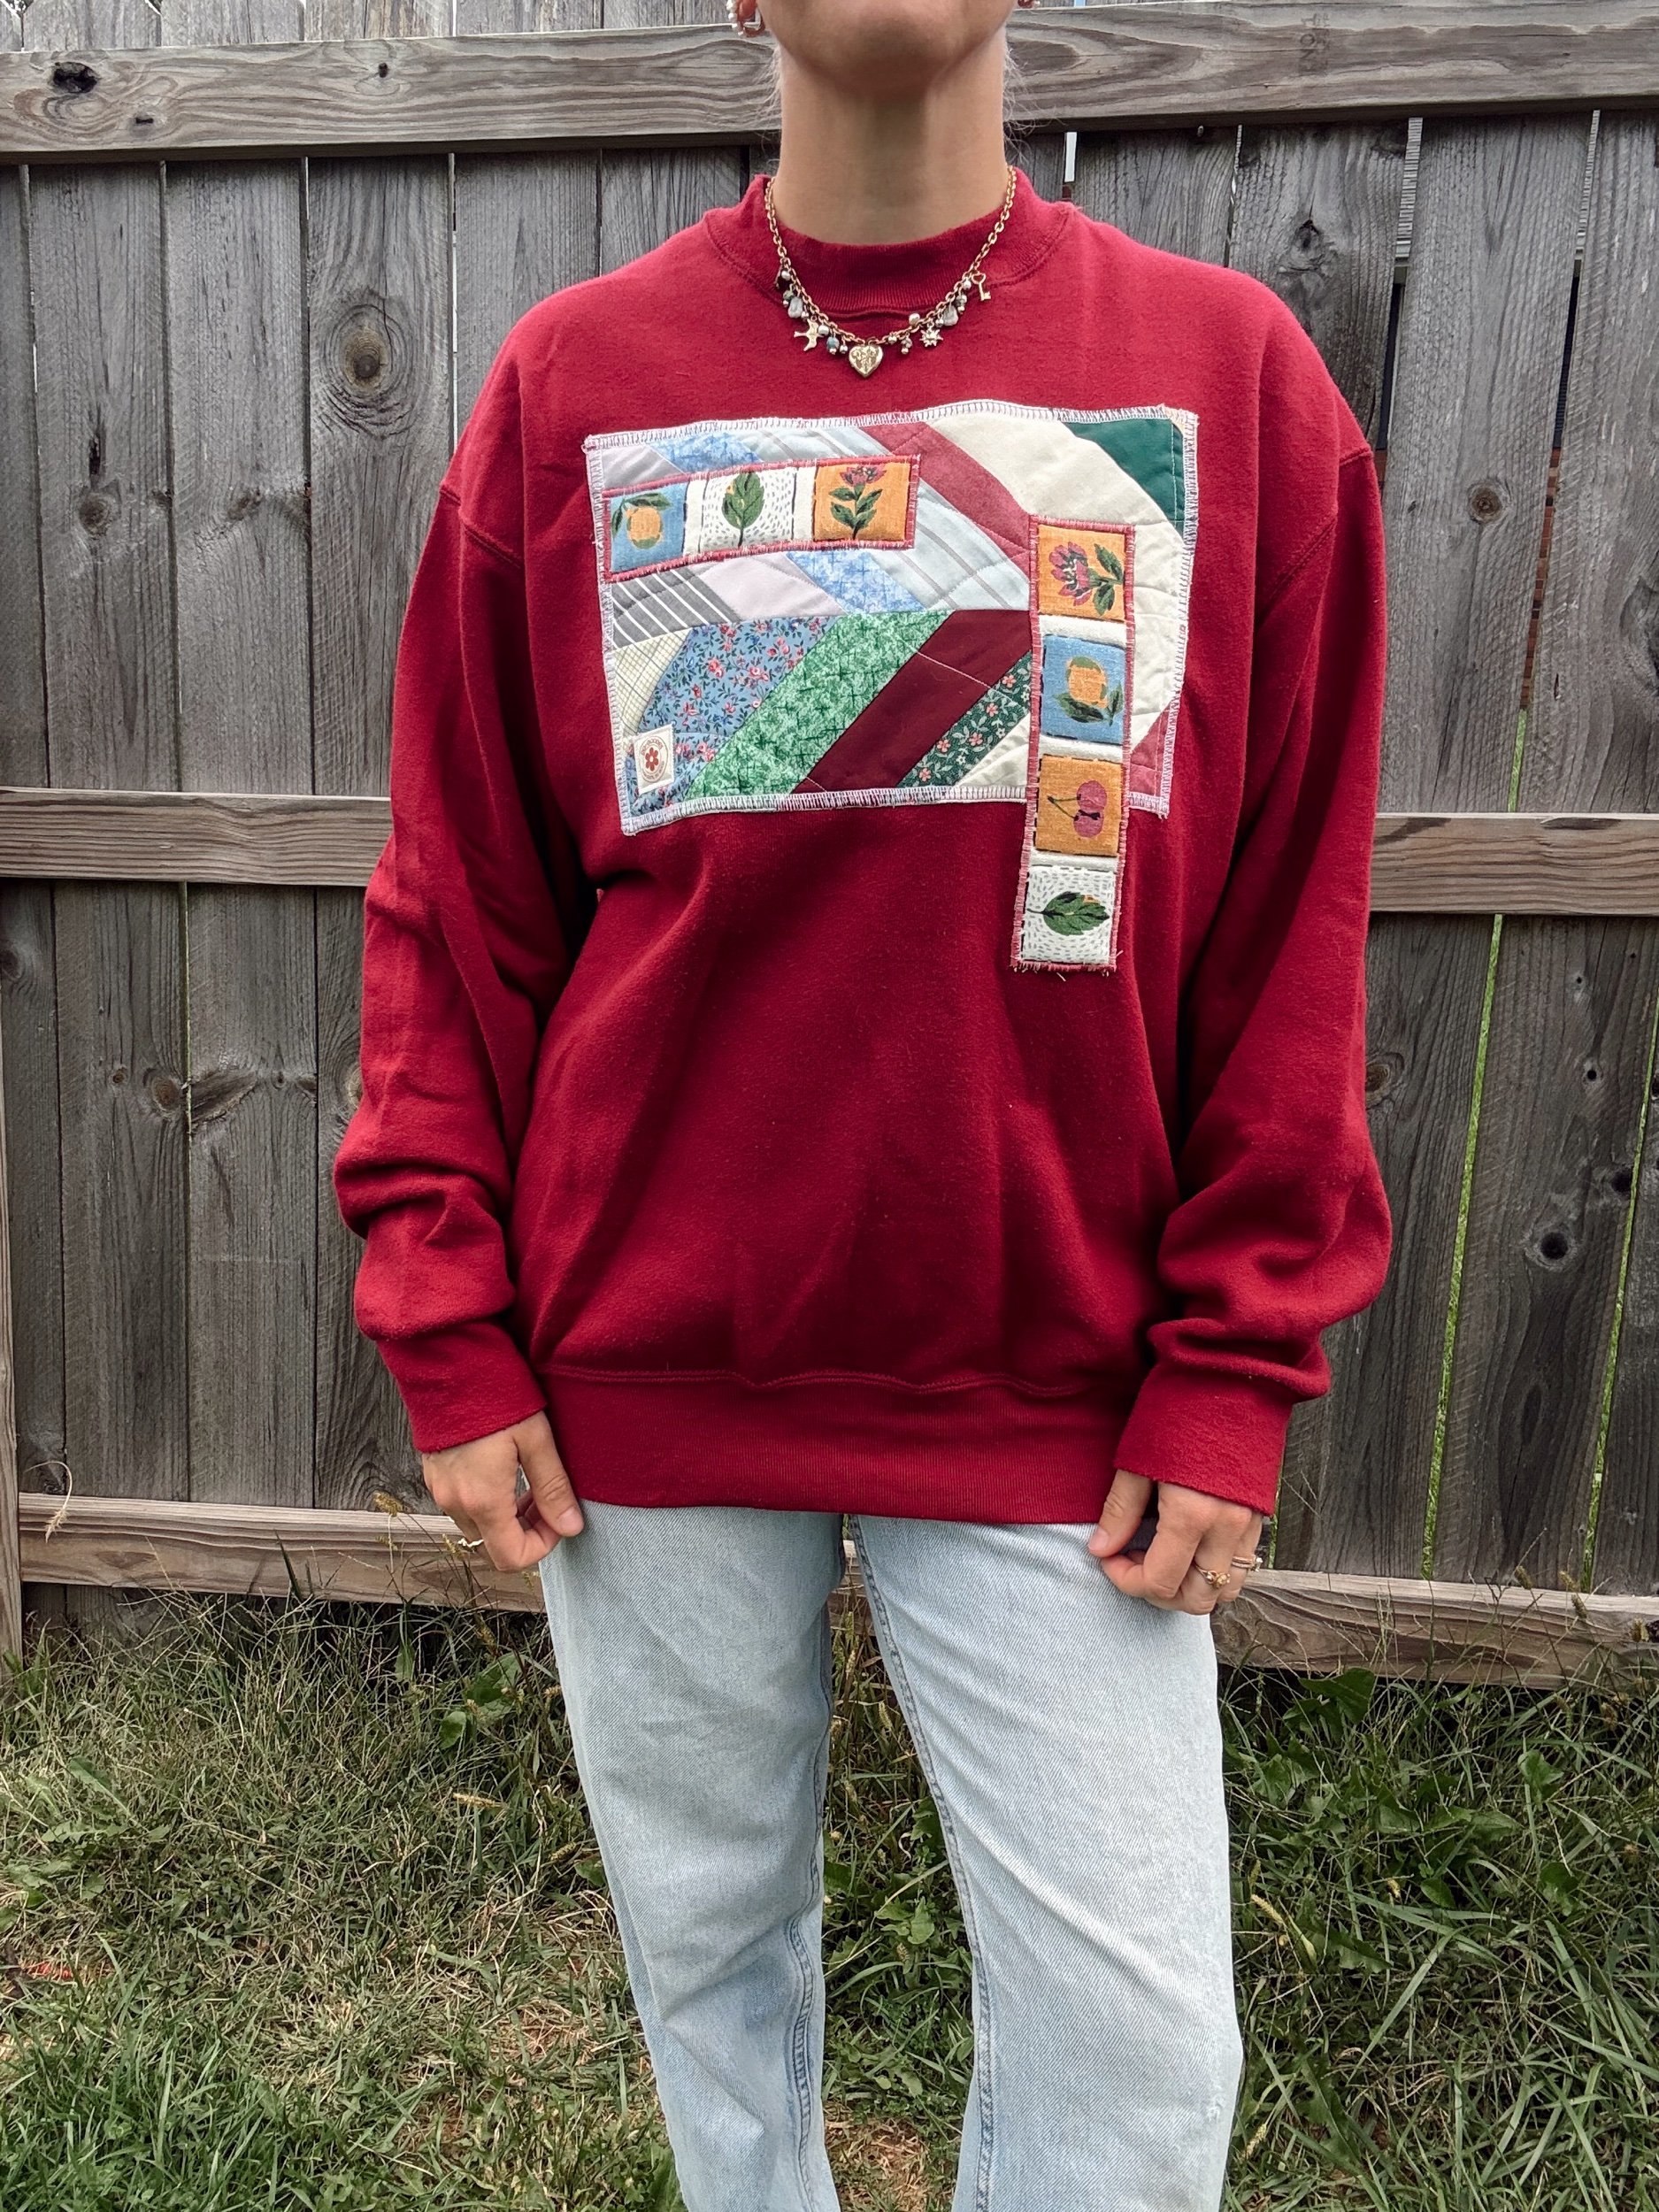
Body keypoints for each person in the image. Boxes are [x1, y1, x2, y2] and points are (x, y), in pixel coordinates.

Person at [332, 0, 1394, 2201]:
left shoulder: (1232, 383)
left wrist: (1231, 1356)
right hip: (647, 1373)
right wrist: (444, 1303)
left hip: (1059, 1379)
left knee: (1131, 2056)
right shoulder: (570, 385)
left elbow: (1290, 912)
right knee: (708, 1954)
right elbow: (460, 893)